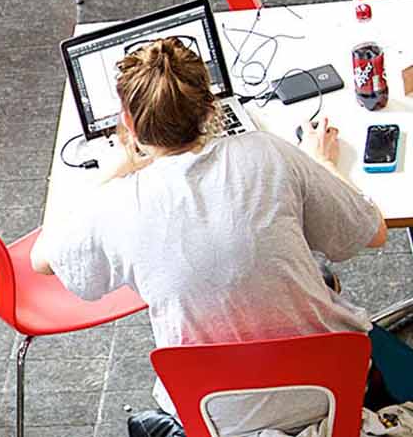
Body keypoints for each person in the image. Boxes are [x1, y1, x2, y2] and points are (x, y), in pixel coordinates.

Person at [30, 37, 388, 437]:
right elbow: (372, 232)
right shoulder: (267, 153)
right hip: (330, 395)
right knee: (318, 272)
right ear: (211, 108)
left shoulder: (118, 203)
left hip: (213, 415)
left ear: (129, 125)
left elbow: (41, 260)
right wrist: (321, 162)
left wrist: (115, 172)